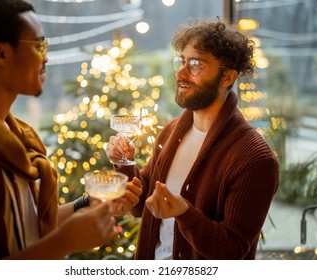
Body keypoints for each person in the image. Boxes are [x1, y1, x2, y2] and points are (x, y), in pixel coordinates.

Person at [0, 0, 142, 260]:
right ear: (0, 53)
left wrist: (89, 204)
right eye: (39, 46)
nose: (46, 57)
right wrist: (60, 244)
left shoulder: (7, 132)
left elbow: (22, 228)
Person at [105, 18, 279, 260]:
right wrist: (124, 163)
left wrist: (185, 213)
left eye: (195, 64)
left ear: (227, 77)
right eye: (182, 61)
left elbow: (233, 251)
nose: (180, 73)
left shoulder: (255, 159)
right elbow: (140, 205)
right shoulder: (171, 131)